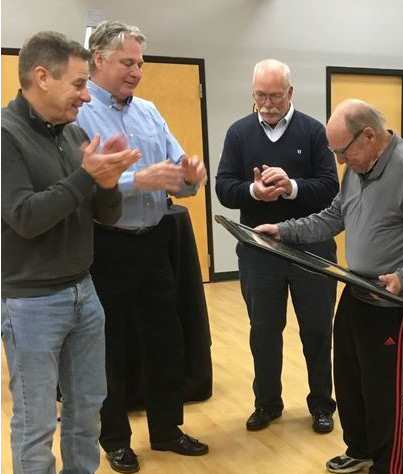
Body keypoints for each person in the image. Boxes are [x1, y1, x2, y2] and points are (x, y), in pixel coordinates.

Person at [256, 99, 403, 474]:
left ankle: (389, 466)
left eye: (342, 152)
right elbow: (334, 216)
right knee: (349, 382)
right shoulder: (358, 168)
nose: (340, 161)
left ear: (368, 135)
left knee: (384, 397)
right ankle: (361, 449)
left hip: (396, 303)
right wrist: (284, 231)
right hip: (356, 290)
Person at [1, 31, 140, 474]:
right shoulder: (5, 135)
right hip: (30, 303)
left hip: (84, 292)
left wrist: (108, 181)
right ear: (42, 76)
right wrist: (86, 177)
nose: (86, 95)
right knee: (37, 422)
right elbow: (25, 216)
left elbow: (107, 215)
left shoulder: (72, 132)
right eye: (79, 84)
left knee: (86, 415)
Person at [76, 20, 208, 473]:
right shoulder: (79, 111)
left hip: (154, 244)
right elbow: (84, 186)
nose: (136, 71)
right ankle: (115, 439)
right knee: (109, 347)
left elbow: (178, 167)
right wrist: (137, 180)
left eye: (140, 63)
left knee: (165, 341)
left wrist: (190, 172)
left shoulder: (149, 112)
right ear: (99, 59)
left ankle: (167, 431)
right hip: (106, 247)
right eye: (127, 62)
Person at [215, 58, 340, 434]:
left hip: (312, 248)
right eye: (259, 96)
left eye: (274, 96)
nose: (266, 104)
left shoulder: (314, 132)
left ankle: (321, 404)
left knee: (317, 330)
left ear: (290, 93)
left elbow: (330, 188)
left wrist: (292, 186)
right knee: (264, 331)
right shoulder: (239, 133)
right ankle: (267, 403)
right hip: (259, 250)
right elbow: (223, 188)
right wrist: (254, 191)